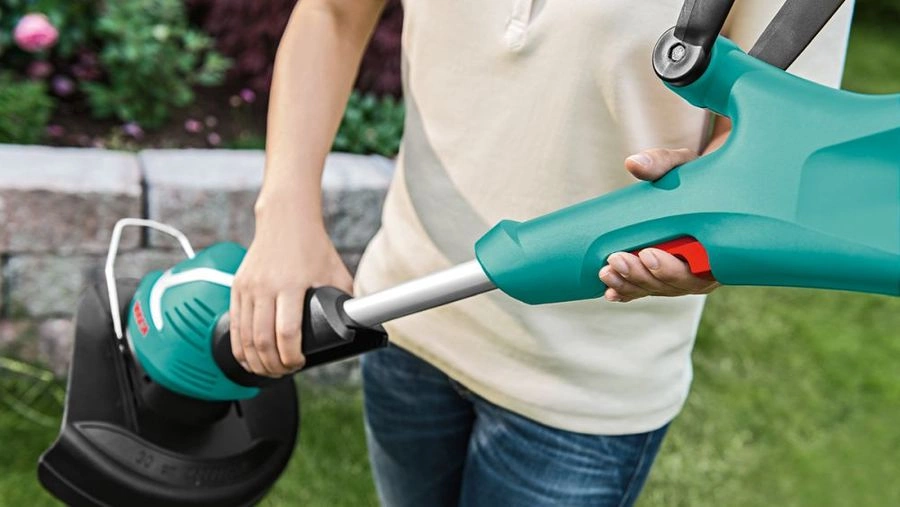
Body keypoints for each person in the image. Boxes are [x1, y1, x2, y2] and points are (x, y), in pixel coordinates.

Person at [229, 0, 853, 505]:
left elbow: (774, 136)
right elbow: (333, 13)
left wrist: (706, 234)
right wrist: (284, 214)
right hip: (405, 313)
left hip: (585, 382)